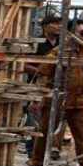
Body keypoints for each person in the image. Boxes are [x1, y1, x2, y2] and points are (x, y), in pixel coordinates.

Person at [28, 20, 83, 166]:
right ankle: (37, 162)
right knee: (45, 132)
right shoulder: (57, 53)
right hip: (56, 100)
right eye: (82, 33)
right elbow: (43, 76)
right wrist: (37, 98)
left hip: (79, 102)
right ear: (70, 34)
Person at [24, 15, 63, 155]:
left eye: (60, 24)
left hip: (57, 87)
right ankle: (32, 151)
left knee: (53, 119)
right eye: (55, 23)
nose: (59, 26)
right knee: (34, 120)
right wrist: (43, 72)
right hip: (36, 86)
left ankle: (51, 149)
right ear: (45, 27)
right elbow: (24, 65)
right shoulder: (37, 43)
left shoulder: (62, 44)